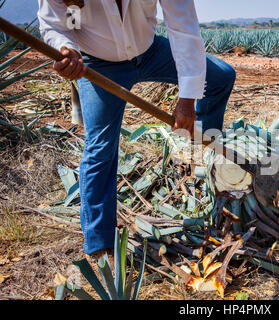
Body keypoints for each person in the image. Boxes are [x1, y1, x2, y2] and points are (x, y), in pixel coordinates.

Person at [37, 0, 236, 264]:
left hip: (151, 52)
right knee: (101, 148)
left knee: (221, 76)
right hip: (97, 63)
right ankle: (100, 244)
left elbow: (183, 29)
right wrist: (67, 49)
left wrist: (187, 100)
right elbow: (54, 23)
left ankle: (208, 159)